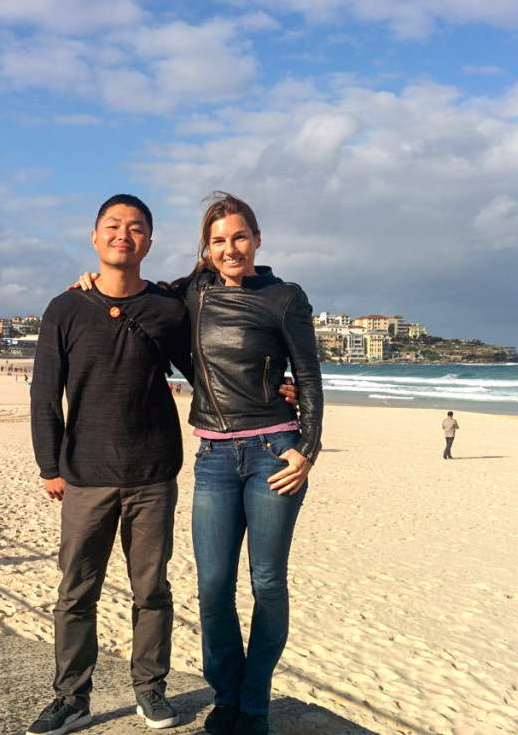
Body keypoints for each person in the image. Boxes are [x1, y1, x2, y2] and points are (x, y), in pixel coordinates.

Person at [28, 195, 198, 735]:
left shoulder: (168, 310)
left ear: (149, 241)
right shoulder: (66, 307)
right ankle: (72, 698)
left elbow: (207, 372)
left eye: (137, 228)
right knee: (76, 592)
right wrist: (48, 465)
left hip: (152, 474)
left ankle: (150, 688)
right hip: (84, 474)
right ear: (96, 237)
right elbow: (44, 392)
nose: (124, 234)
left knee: (152, 589)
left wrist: (276, 389)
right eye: (113, 226)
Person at [171, 192, 323, 735]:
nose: (230, 248)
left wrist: (308, 448)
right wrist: (88, 284)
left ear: (257, 238)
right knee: (212, 585)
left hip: (272, 455)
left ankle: (254, 702)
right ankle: (227, 695)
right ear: (206, 249)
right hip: (212, 455)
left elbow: (307, 376)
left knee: (267, 581)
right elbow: (136, 298)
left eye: (239, 237)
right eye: (218, 240)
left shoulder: (285, 297)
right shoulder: (192, 292)